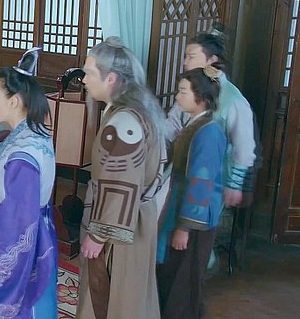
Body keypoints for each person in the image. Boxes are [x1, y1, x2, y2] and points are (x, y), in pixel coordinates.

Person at [77, 37, 167, 319]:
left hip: (120, 228)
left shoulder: (123, 123)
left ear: (111, 78)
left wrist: (98, 235)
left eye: (89, 73)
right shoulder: (140, 112)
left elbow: (120, 184)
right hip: (138, 218)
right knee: (133, 295)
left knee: (113, 296)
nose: (84, 80)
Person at [0, 47, 58, 319]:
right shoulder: (34, 133)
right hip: (40, 231)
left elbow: (16, 220)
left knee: (21, 307)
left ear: (13, 101)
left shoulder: (22, 153)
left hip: (27, 241)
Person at [157, 67, 227, 319]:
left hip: (194, 218)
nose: (178, 97)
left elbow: (201, 182)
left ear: (202, 97)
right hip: (179, 205)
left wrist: (185, 227)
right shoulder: (196, 124)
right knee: (174, 274)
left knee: (184, 280)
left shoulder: (209, 131)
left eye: (183, 92)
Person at [164, 25, 257, 208]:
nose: (185, 62)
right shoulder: (191, 89)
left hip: (215, 178)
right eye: (185, 57)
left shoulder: (233, 99)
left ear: (212, 60)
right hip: (183, 172)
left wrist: (235, 185)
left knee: (200, 218)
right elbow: (172, 125)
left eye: (191, 57)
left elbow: (244, 147)